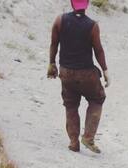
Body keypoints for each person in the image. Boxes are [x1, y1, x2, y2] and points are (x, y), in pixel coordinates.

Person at [47, 0, 109, 153]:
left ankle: (74, 142)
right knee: (97, 98)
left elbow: (54, 44)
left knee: (71, 104)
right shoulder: (92, 25)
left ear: (72, 4)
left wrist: (51, 64)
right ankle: (88, 137)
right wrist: (105, 70)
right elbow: (98, 50)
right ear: (86, 5)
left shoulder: (59, 20)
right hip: (86, 73)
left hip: (66, 72)